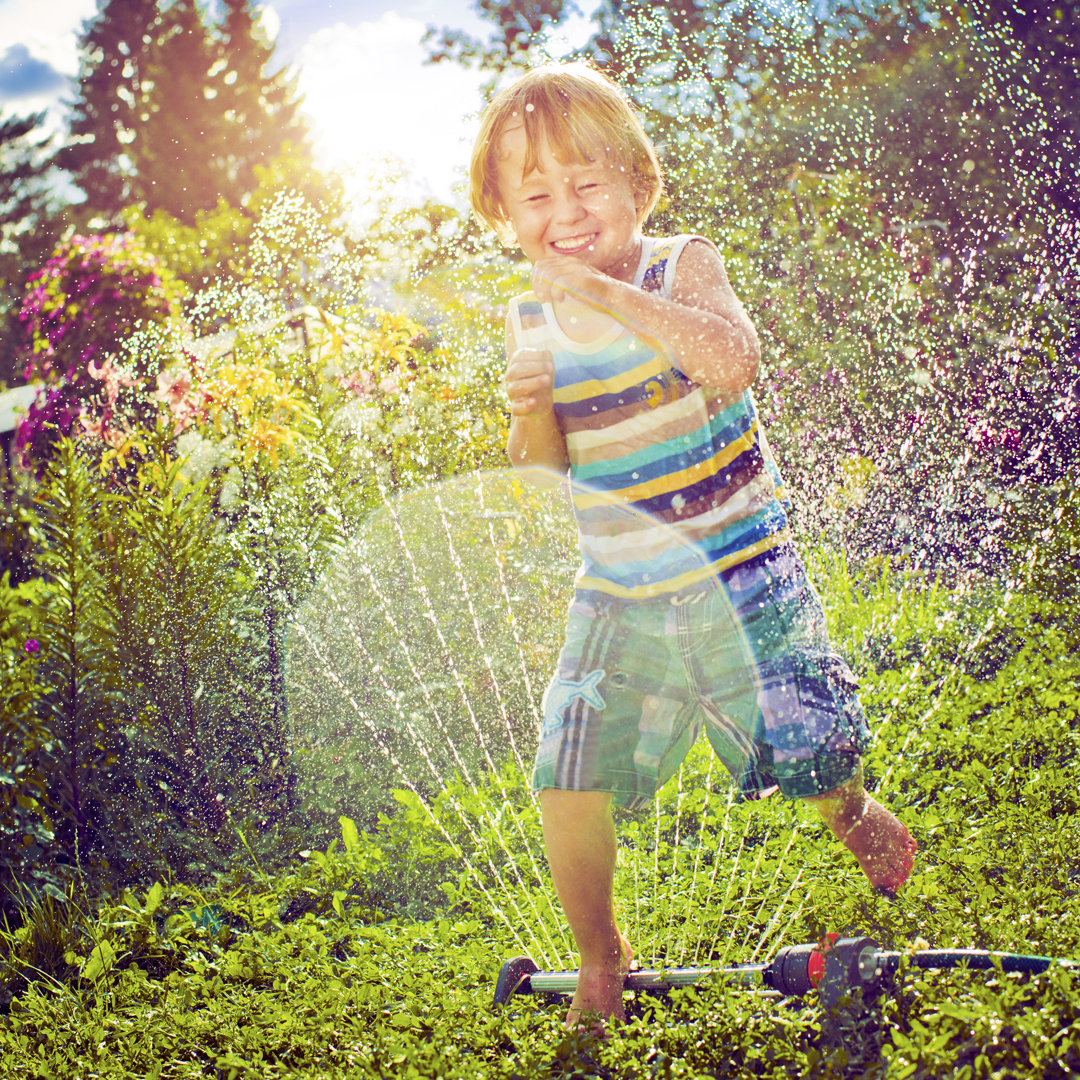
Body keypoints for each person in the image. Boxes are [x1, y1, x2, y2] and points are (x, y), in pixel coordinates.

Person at [468, 62, 917, 1031]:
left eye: (588, 183)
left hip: (744, 566)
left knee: (805, 744)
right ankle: (600, 954)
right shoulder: (531, 319)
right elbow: (544, 467)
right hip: (621, 587)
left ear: (638, 183)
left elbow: (730, 361)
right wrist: (528, 416)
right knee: (566, 769)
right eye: (537, 195)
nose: (567, 210)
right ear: (505, 215)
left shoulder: (681, 267)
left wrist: (607, 292)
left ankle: (850, 811)